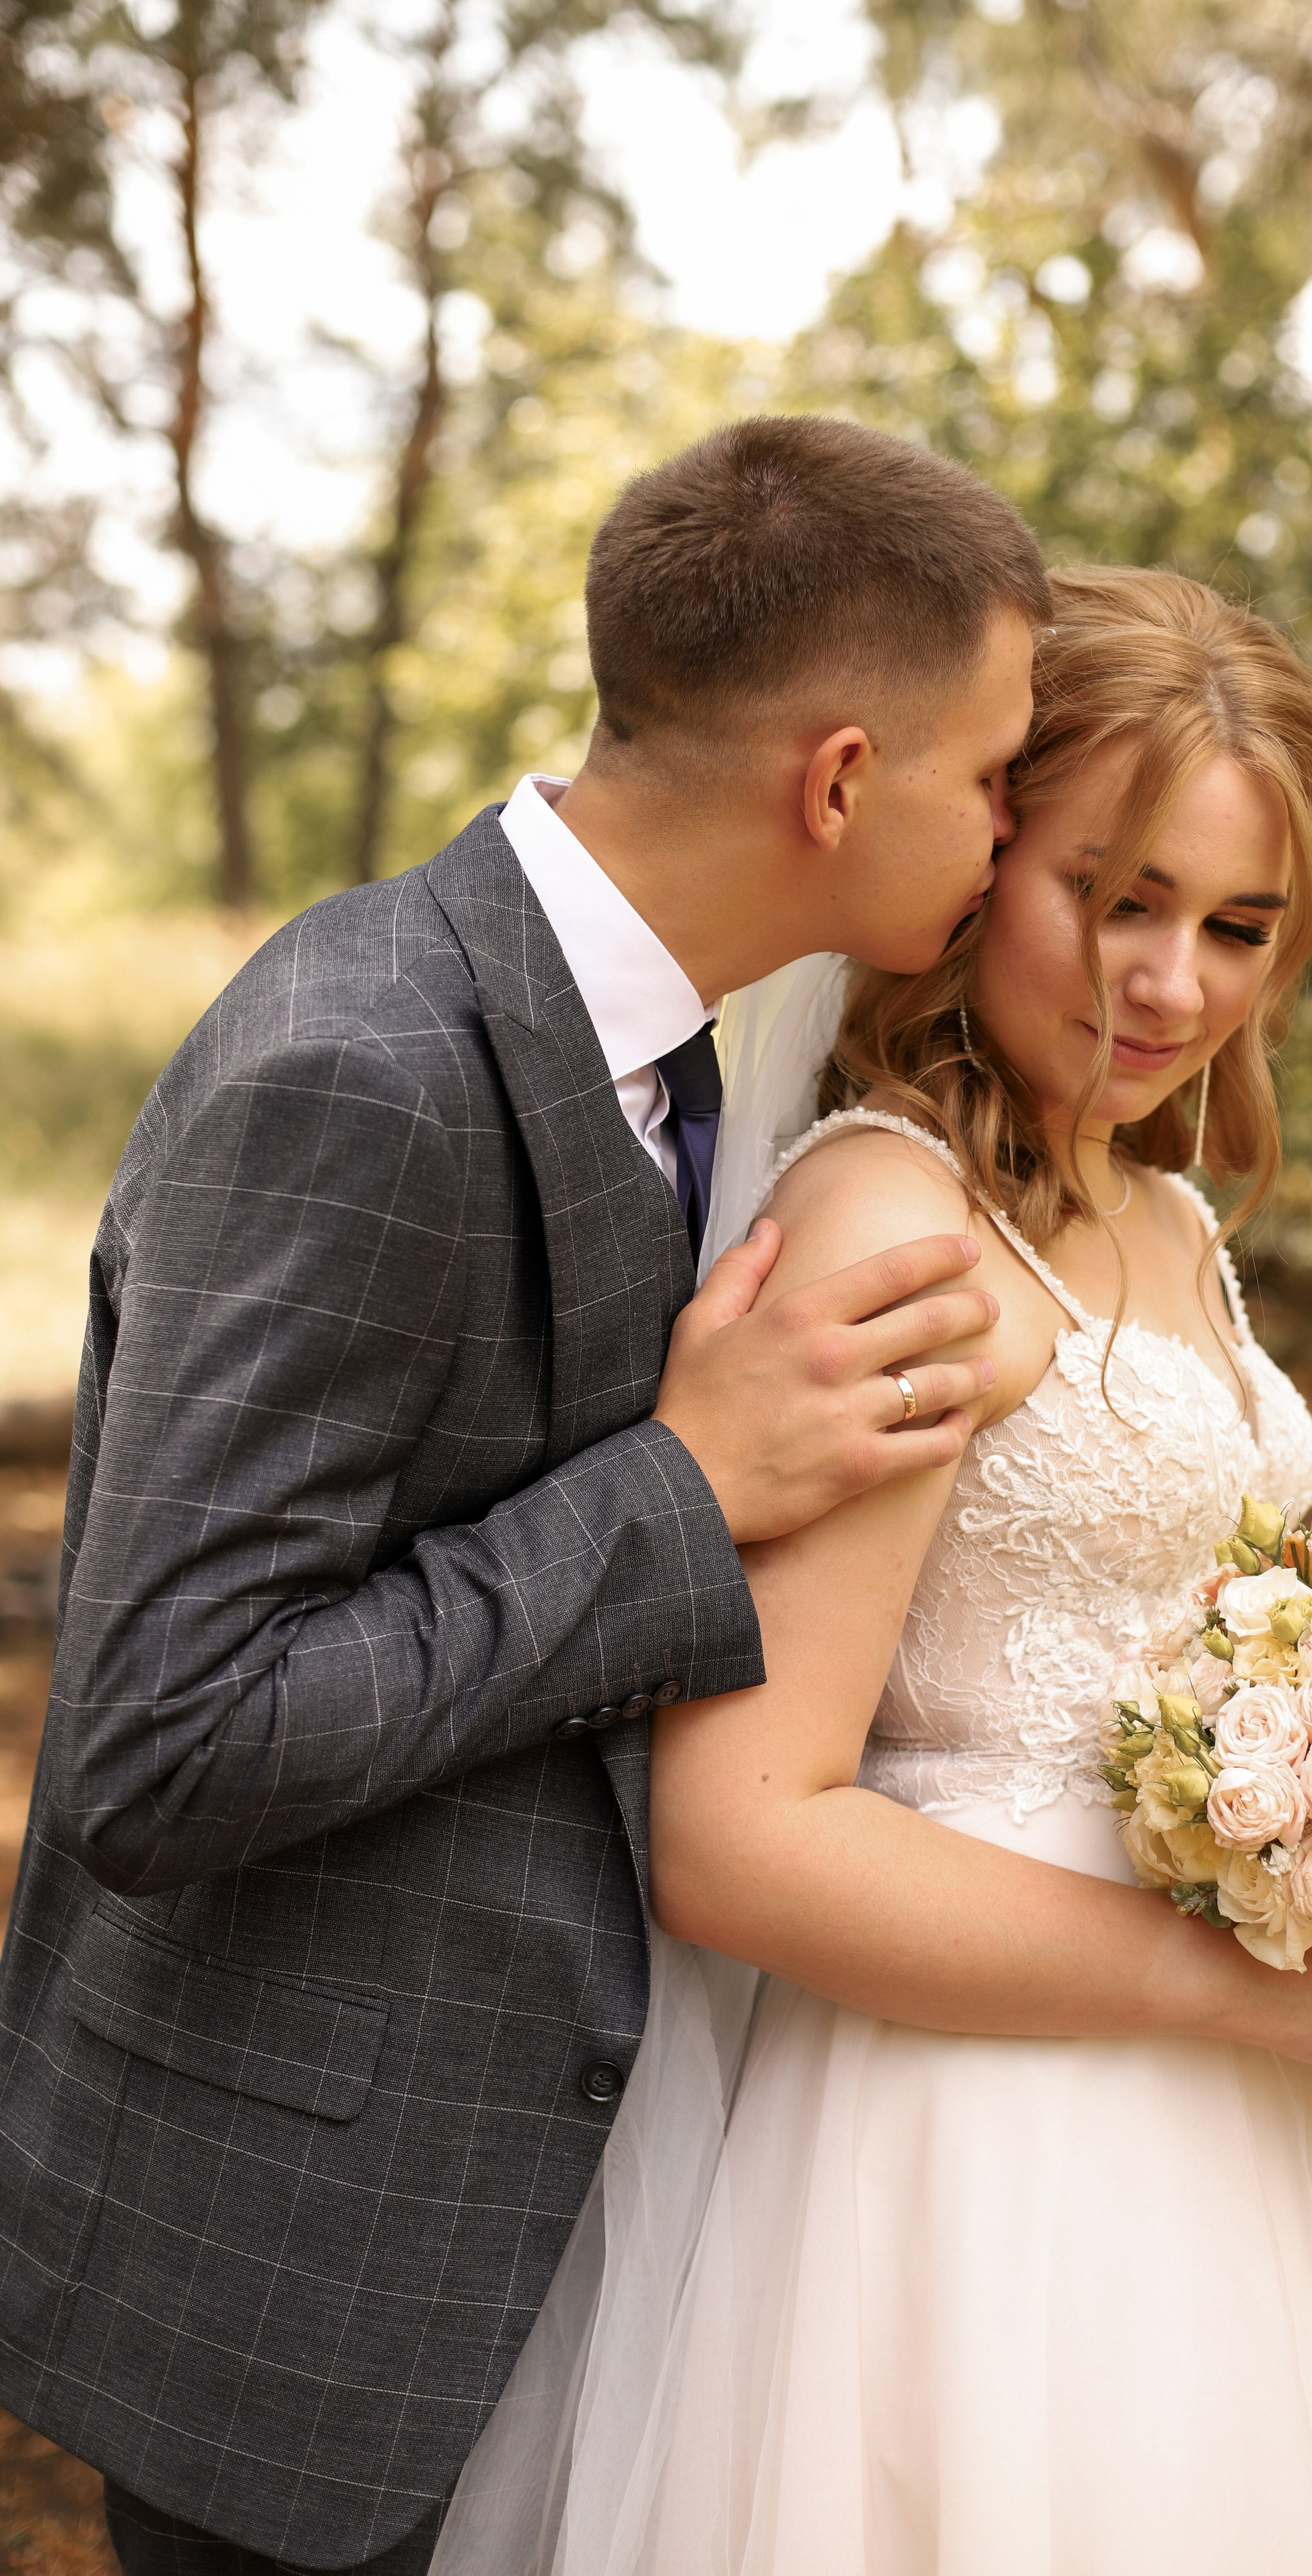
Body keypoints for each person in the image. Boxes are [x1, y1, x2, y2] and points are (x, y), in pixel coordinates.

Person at [436, 567, 1312, 2574]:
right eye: (1115, 895)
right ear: (991, 854)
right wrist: (1246, 1991)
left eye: (1237, 925)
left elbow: (1195, 1684)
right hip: (997, 2132)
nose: (1173, 984)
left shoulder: (1164, 1218)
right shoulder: (890, 1226)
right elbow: (742, 1837)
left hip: (1262, 2103)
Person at [0, 416, 1054, 2576]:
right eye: (995, 772)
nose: (1013, 826)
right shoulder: (359, 1066)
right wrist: (676, 1488)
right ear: (841, 781)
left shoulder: (672, 1050)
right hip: (300, 2285)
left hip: (539, 2238)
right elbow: (157, 1743)